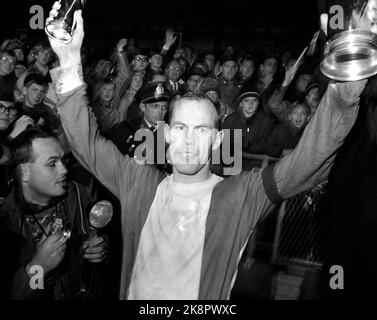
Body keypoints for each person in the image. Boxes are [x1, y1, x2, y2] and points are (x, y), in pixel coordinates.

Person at [47, 5, 365, 300]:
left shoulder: (241, 194)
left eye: (201, 131)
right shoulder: (138, 182)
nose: (188, 140)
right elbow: (84, 141)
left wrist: (346, 87)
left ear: (216, 141)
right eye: (181, 128)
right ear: (167, 134)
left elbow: (308, 162)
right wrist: (68, 59)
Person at [0, 128, 108, 299]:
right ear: (24, 172)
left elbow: (97, 235)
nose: (64, 169)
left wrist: (100, 249)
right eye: (52, 164)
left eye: (63, 160)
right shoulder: (5, 220)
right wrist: (38, 267)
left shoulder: (81, 195)